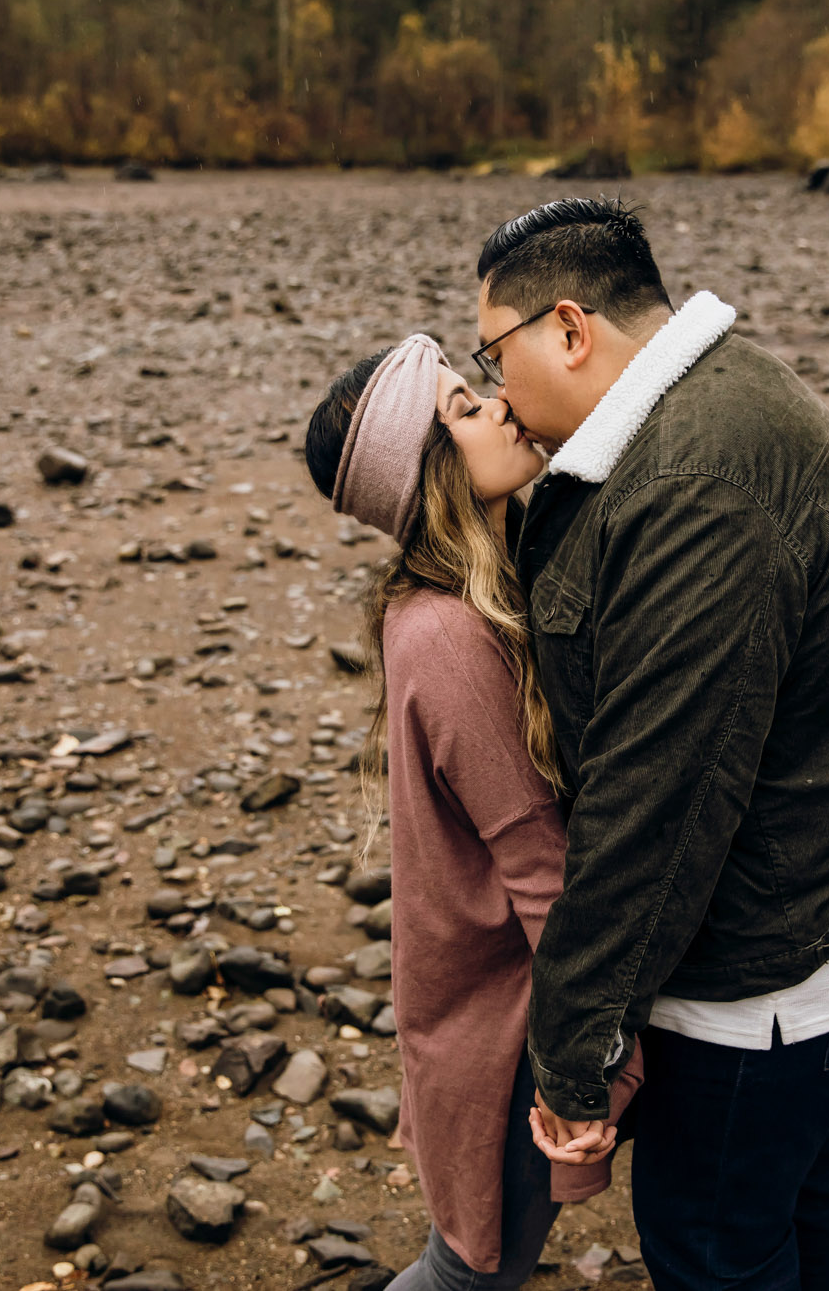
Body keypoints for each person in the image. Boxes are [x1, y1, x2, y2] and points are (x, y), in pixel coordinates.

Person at [471, 198, 829, 1291]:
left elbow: (659, 794)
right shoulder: (703, 403)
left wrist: (573, 1054)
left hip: (781, 955)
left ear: (567, 329)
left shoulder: (696, 480)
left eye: (492, 353)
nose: (498, 391)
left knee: (709, 1239)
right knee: (787, 1195)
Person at [302, 333, 639, 1291]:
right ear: (427, 473)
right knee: (473, 1266)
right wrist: (594, 1071)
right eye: (463, 407)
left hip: (488, 1000)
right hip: (504, 1024)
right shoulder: (451, 633)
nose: (498, 404)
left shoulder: (464, 591)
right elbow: (538, 861)